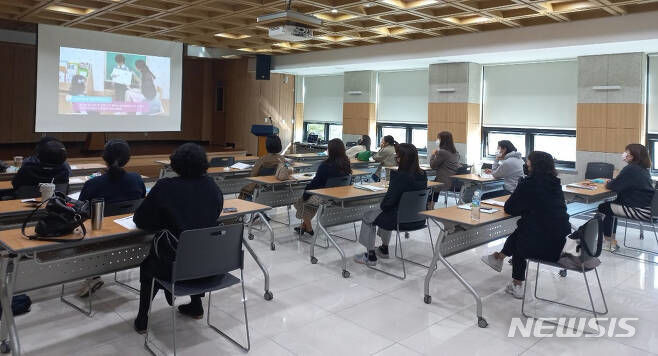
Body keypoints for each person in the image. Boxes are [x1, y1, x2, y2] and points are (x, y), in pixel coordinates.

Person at [133, 143, 223, 334]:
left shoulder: (165, 187)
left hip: (175, 267)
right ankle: (196, 305)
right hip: (211, 266)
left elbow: (140, 219)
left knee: (150, 266)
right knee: (195, 247)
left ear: (175, 164)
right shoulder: (212, 186)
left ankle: (143, 318)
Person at [480, 151, 571, 299]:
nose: (525, 165)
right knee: (524, 229)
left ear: (534, 165)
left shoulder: (529, 183)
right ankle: (498, 258)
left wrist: (521, 195)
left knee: (521, 240)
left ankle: (516, 284)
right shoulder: (555, 183)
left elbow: (510, 208)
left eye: (527, 162)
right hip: (561, 242)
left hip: (544, 248)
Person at [76, 140, 147, 298]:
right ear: (127, 158)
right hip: (131, 237)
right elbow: (142, 199)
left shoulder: (93, 183)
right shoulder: (136, 179)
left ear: (104, 157)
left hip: (99, 240)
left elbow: (80, 211)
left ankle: (93, 276)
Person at [354, 143, 428, 266]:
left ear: (403, 159)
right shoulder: (422, 175)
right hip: (419, 219)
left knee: (369, 215)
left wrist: (380, 207)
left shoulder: (399, 176)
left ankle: (370, 255)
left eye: (397, 157)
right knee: (383, 213)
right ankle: (383, 248)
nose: (396, 160)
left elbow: (388, 203)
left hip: (399, 220)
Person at [597, 144, 654, 251]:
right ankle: (612, 240)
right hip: (646, 209)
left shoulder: (630, 169)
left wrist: (611, 182)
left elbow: (611, 186)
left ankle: (609, 242)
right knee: (613, 205)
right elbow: (623, 183)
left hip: (638, 211)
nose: (624, 154)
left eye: (626, 152)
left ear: (632, 156)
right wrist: (615, 182)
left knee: (604, 207)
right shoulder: (643, 169)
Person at [293, 138, 352, 236]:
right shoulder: (346, 165)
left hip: (324, 198)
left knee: (299, 202)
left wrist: (305, 194)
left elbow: (315, 184)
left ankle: (309, 227)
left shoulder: (325, 166)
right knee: (309, 204)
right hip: (338, 198)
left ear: (330, 151)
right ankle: (304, 226)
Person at [239, 135, 285, 200]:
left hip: (261, 188)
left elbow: (252, 175)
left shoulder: (262, 159)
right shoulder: (283, 160)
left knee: (244, 189)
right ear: (279, 145)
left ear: (267, 145)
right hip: (276, 188)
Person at [427, 131, 460, 209]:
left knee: (428, 185)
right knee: (434, 183)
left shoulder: (442, 152)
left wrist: (433, 154)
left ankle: (429, 205)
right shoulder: (455, 152)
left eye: (438, 138)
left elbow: (432, 165)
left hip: (443, 181)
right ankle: (431, 205)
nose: (437, 140)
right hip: (453, 181)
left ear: (442, 140)